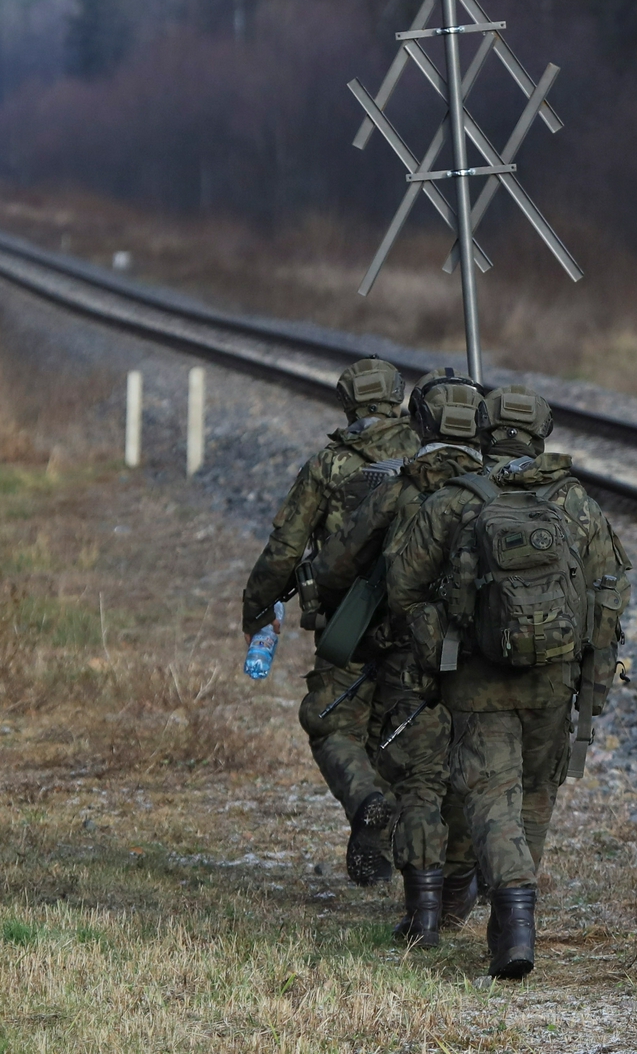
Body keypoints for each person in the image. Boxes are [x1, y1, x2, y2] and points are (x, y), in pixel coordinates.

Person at [385, 385, 631, 978]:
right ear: (543, 430)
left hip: (476, 679)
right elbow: (609, 591)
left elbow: (403, 586)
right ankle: (513, 921)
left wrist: (440, 641)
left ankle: (516, 922)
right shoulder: (574, 502)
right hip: (554, 678)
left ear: (484, 428)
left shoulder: (454, 500)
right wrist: (587, 668)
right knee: (535, 793)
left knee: (490, 795)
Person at [308, 371, 487, 946]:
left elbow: (339, 562)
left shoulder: (400, 487)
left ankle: (424, 916)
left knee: (419, 779)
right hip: (485, 658)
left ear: (422, 423)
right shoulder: (498, 488)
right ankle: (468, 892)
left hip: (413, 654)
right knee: (473, 775)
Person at [240, 355, 421, 886]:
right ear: (397, 399)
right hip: (422, 628)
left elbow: (284, 550)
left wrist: (257, 612)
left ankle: (367, 803)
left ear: (348, 404)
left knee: (331, 721)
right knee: (410, 732)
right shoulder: (430, 458)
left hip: (350, 626)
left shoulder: (329, 466)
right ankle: (425, 865)